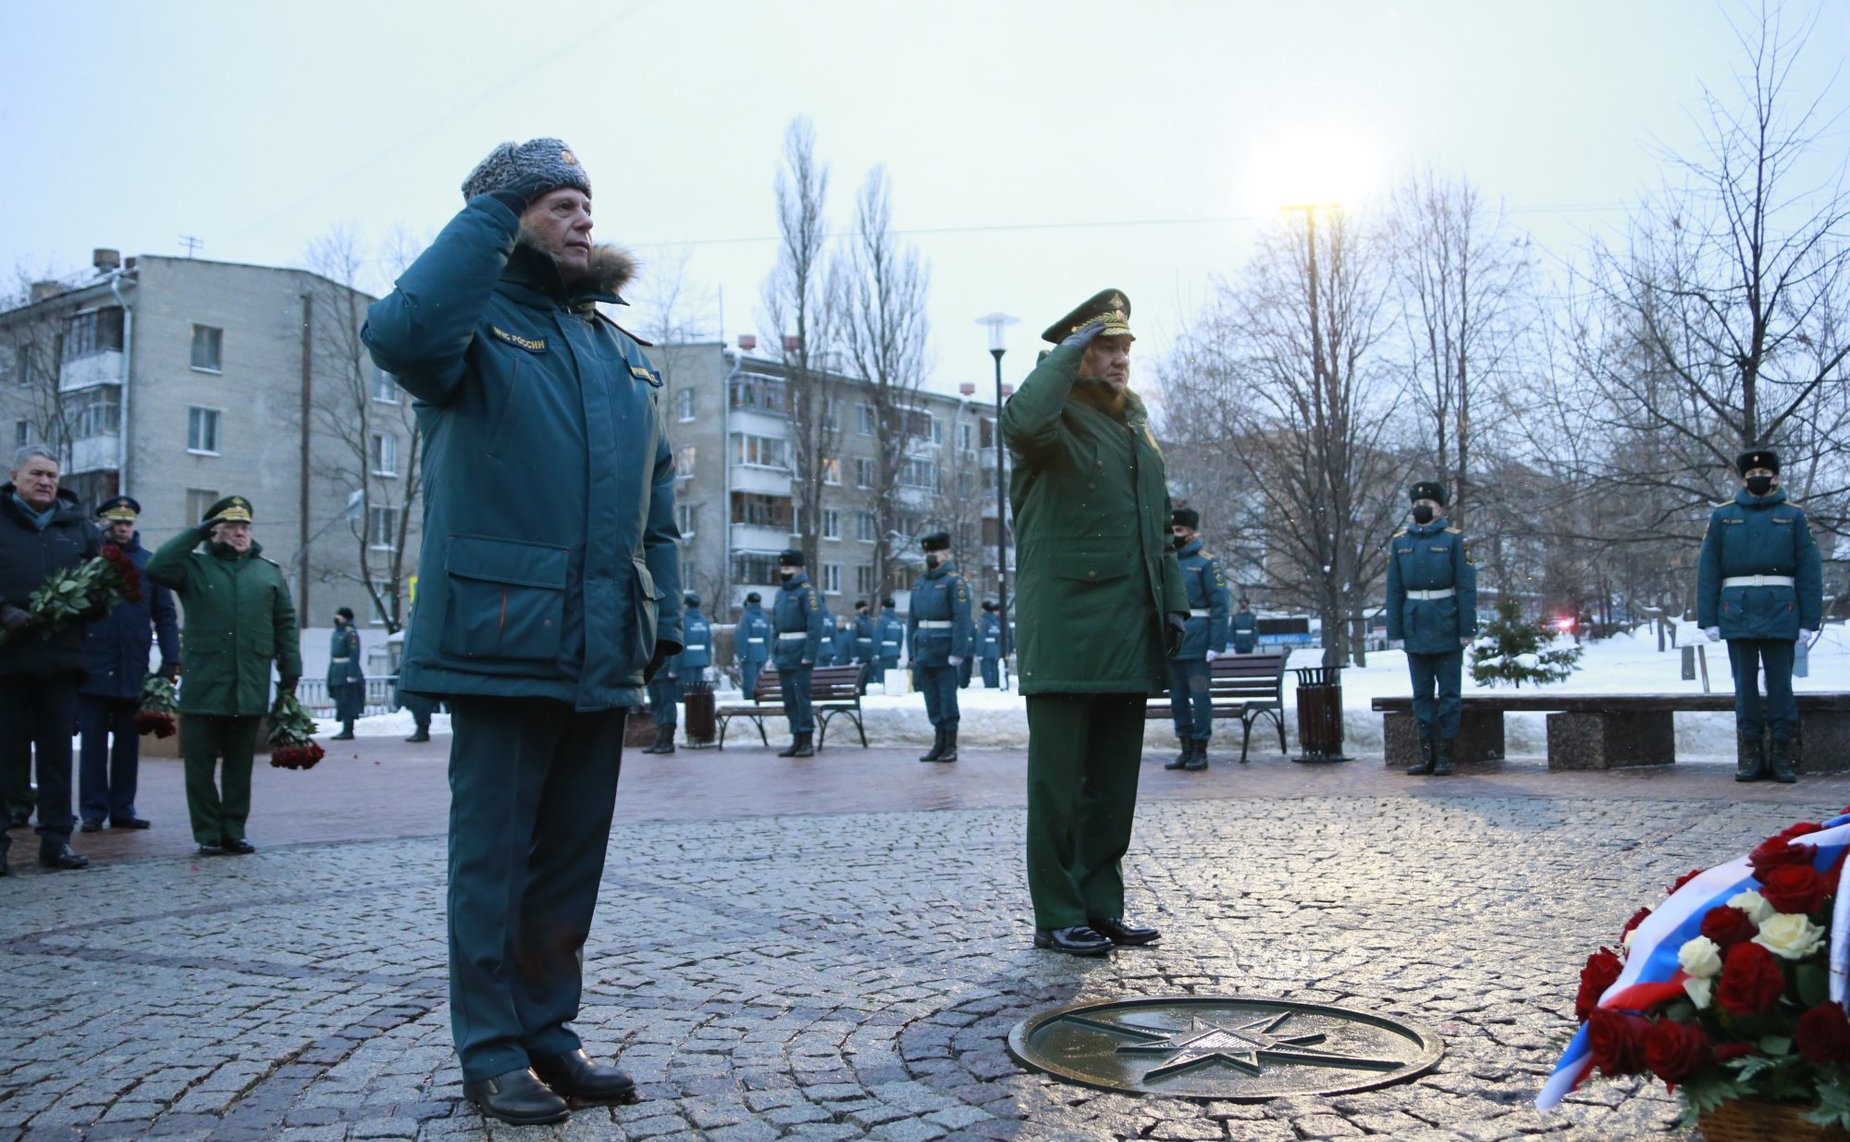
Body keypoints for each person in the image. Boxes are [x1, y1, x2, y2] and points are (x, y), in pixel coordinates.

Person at [363, 137, 680, 1126]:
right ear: (504, 217)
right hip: (502, 636)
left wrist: (660, 627)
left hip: (600, 640)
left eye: (587, 200)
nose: (582, 215)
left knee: (568, 858)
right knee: (493, 857)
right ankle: (490, 1049)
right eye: (555, 202)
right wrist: (491, 214)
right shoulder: (468, 328)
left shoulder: (620, 349)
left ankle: (548, 1030)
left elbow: (657, 502)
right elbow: (398, 334)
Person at [1001, 290, 1186, 956]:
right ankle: (1056, 912)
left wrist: (1176, 602)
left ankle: (1102, 904)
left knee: (1112, 784)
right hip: (1068, 628)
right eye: (1104, 347)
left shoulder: (1135, 428)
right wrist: (1063, 356)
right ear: (1076, 354)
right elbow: (1020, 423)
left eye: (1124, 348)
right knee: (1058, 786)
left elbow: (1158, 531)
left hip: (1127, 627)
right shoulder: (1051, 426)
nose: (1119, 359)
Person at [146, 496, 302, 856]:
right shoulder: (193, 567)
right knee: (199, 768)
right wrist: (194, 534)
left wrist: (291, 668)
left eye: (245, 526)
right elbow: (156, 567)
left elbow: (285, 624)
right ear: (213, 531)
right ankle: (207, 833)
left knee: (239, 767)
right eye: (231, 526)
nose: (239, 533)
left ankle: (234, 829)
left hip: (249, 683)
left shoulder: (267, 571)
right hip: (204, 684)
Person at [0, 446, 104, 873]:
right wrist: (3, 610)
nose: (45, 482)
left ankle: (57, 840)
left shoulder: (78, 527)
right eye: (36, 474)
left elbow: (104, 586)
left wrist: (87, 604)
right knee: (3, 755)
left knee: (57, 757)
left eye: (52, 476)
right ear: (15, 476)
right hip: (6, 662)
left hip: (60, 663)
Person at [1698, 448, 1823, 784]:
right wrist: (1708, 617)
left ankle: (1782, 755)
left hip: (1781, 610)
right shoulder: (1723, 517)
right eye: (1752, 476)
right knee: (1745, 687)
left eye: (1764, 474)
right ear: (1743, 479)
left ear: (1776, 477)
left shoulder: (1792, 516)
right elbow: (1708, 569)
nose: (1758, 479)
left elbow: (1810, 571)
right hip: (1736, 609)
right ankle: (1752, 754)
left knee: (1781, 686)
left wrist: (1810, 621)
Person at [78, 496, 180, 833]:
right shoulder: (89, 561)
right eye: (116, 522)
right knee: (93, 745)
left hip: (132, 668)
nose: (122, 528)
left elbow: (165, 615)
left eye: (128, 523)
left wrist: (171, 659)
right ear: (104, 524)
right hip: (93, 667)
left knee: (127, 745)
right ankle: (93, 810)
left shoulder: (150, 565)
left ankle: (122, 807)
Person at [1385, 481, 1477, 777]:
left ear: (1441, 508)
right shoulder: (1400, 542)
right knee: (1421, 694)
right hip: (1414, 626)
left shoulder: (1455, 540)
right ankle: (1427, 753)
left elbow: (1466, 587)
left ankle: (1447, 754)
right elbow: (1394, 590)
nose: (1420, 508)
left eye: (1428, 504)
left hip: (1446, 624)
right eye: (1416, 504)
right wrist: (1395, 631)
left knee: (1449, 693)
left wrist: (1467, 628)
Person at [1164, 508, 1231, 771]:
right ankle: (1185, 747)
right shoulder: (1167, 560)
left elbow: (1220, 606)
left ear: (1192, 533)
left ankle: (1200, 749)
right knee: (1178, 699)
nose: (1175, 535)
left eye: (1179, 531)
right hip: (1174, 642)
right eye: (1173, 531)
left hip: (1199, 644)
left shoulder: (1206, 562)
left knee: (1200, 698)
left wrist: (1216, 645)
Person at [908, 532, 976, 763]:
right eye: (927, 552)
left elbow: (962, 619)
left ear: (946, 554)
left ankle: (950, 745)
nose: (930, 556)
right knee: (932, 700)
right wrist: (912, 652)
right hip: (925, 650)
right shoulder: (920, 584)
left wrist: (958, 652)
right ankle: (938, 743)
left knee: (947, 699)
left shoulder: (954, 582)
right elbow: (912, 621)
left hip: (945, 651)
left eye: (934, 552)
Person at [771, 548, 826, 757]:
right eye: (782, 567)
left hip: (799, 653)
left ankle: (806, 739)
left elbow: (815, 626)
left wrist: (809, 655)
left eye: (788, 567)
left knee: (801, 698)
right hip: (784, 653)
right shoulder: (781, 594)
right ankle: (795, 736)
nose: (784, 571)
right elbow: (776, 627)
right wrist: (774, 651)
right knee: (789, 699)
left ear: (799, 569)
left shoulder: (807, 592)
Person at [327, 606, 365, 740]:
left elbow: (354, 654)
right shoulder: (336, 633)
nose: (335, 618)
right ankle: (344, 727)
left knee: (348, 700)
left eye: (338, 616)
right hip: (337, 671)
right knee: (341, 701)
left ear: (345, 617)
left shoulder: (351, 633)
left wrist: (352, 674)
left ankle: (348, 729)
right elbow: (333, 656)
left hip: (346, 671)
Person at [737, 591, 771, 699]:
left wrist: (741, 656)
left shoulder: (746, 617)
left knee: (749, 681)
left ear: (748, 602)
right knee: (758, 680)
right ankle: (758, 698)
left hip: (749, 653)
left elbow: (742, 638)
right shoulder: (765, 617)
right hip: (762, 653)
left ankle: (749, 701)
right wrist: (767, 654)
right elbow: (768, 637)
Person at [876, 596, 905, 688]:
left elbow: (878, 637)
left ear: (883, 607)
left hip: (884, 652)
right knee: (892, 675)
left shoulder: (881, 619)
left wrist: (876, 652)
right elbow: (900, 638)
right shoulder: (898, 620)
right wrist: (898, 650)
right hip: (895, 651)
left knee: (883, 676)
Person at [852, 600, 877, 693]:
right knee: (861, 674)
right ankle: (860, 691)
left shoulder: (869, 620)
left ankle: (864, 691)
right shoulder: (856, 621)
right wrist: (855, 654)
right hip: (860, 650)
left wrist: (874, 652)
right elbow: (853, 638)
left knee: (868, 674)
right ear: (859, 609)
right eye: (864, 607)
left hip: (868, 651)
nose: (866, 609)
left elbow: (873, 636)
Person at [978, 600, 1003, 689]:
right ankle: (995, 683)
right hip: (996, 648)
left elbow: (981, 637)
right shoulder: (996, 621)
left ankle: (989, 685)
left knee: (986, 669)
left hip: (986, 649)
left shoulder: (983, 621)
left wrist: (979, 652)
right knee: (995, 668)